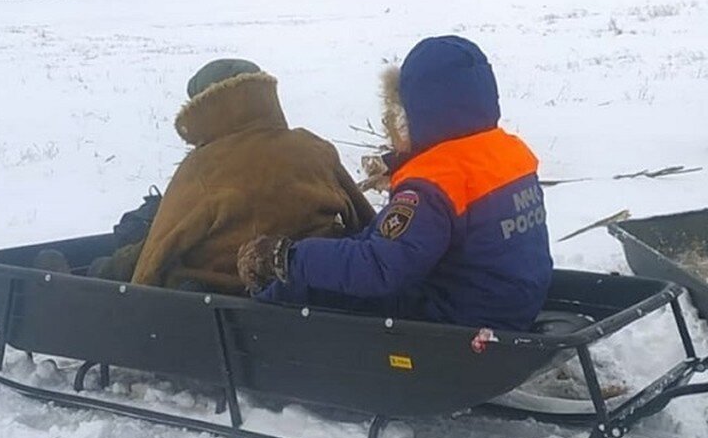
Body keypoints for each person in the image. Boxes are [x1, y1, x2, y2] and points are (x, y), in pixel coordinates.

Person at [237, 36, 552, 331]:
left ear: (419, 109)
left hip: (459, 318)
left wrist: (290, 257)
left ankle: (252, 337)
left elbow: (379, 269)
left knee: (313, 288)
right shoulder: (505, 151)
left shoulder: (432, 184)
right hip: (513, 301)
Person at [128, 58, 376, 294]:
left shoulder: (202, 167)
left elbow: (155, 254)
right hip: (314, 283)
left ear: (201, 107)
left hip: (224, 297)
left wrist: (131, 304)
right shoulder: (312, 146)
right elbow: (363, 220)